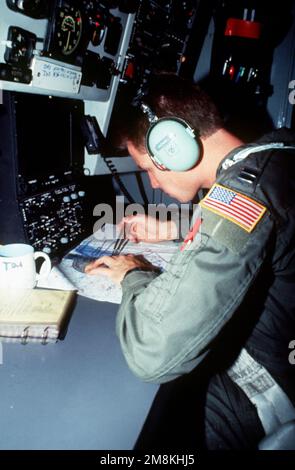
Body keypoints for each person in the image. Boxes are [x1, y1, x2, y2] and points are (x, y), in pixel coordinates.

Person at [85, 73, 295, 449]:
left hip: (268, 385)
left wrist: (133, 274)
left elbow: (152, 353)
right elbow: (259, 226)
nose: (151, 184)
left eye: (149, 168)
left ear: (174, 147)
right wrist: (174, 229)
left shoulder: (245, 193)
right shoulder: (274, 156)